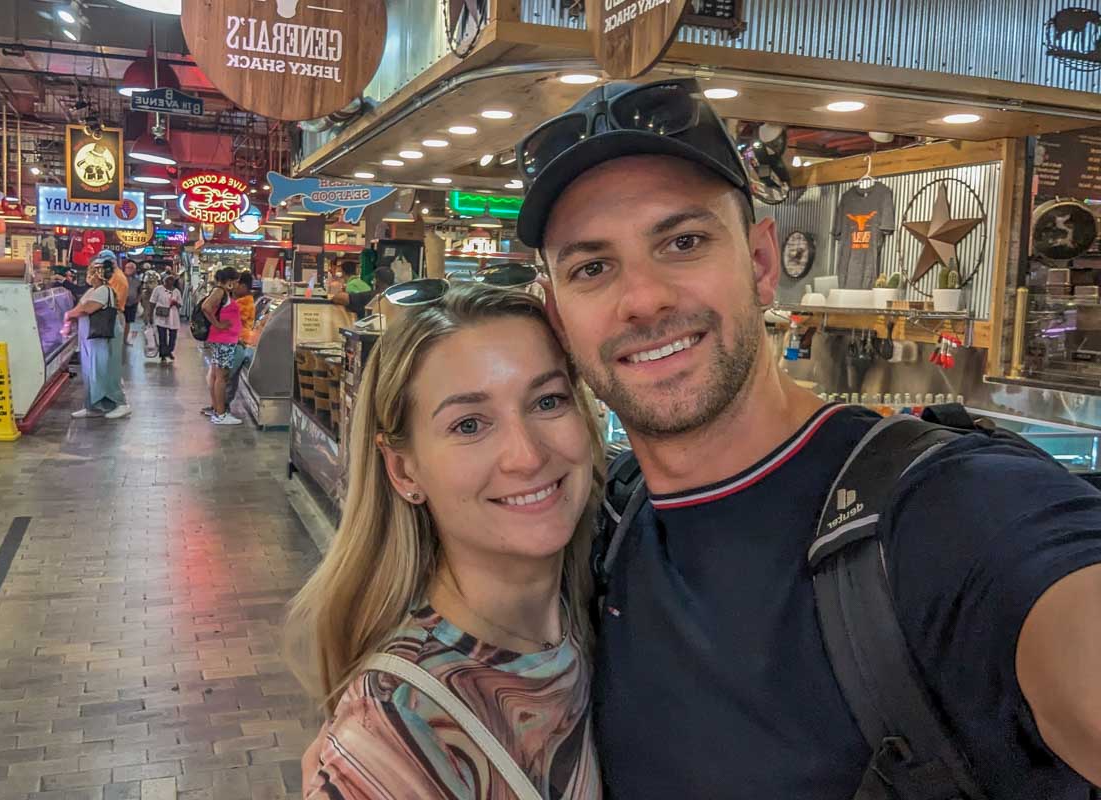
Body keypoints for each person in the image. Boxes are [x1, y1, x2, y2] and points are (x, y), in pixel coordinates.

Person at [512, 78, 1101, 797]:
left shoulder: (947, 511)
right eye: (592, 267)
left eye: (684, 241)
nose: (643, 298)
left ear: (761, 263)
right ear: (556, 314)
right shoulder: (612, 527)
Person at [289, 283, 603, 799]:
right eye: (470, 424)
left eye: (547, 401)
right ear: (403, 468)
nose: (525, 456)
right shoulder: (395, 731)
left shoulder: (604, 601)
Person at [61, 261, 131, 420]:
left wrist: (69, 315)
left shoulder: (104, 291)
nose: (88, 276)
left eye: (91, 272)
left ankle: (120, 404)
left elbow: (87, 308)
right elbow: (81, 306)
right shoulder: (93, 290)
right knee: (92, 371)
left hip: (101, 338)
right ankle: (94, 406)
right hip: (91, 339)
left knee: (105, 370)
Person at [200, 267, 243, 425]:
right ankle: (221, 413)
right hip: (224, 340)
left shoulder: (221, 291)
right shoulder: (220, 291)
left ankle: (216, 409)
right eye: (237, 281)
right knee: (222, 377)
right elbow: (206, 307)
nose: (238, 285)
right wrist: (218, 324)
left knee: (216, 376)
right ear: (230, 281)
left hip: (223, 339)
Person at [225, 270, 257, 409]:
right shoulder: (240, 301)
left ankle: (222, 407)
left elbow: (230, 319)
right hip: (236, 341)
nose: (234, 287)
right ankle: (221, 405)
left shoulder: (245, 303)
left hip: (239, 343)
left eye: (237, 284)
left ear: (244, 286)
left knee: (227, 377)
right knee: (229, 378)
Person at [149, 274, 183, 363]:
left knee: (173, 335)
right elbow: (152, 302)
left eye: (172, 280)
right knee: (162, 335)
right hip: (161, 315)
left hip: (173, 316)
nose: (170, 282)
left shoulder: (176, 291)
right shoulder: (158, 289)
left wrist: (175, 303)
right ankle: (163, 354)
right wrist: (149, 315)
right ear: (164, 281)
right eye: (168, 280)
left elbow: (180, 304)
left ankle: (169, 350)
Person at [121, 261, 142, 345]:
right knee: (120, 322)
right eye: (128, 267)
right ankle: (119, 339)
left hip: (132, 304)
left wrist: (137, 300)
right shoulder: (121, 278)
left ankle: (125, 340)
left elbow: (140, 291)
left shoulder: (138, 280)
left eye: (131, 268)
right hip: (121, 303)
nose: (129, 269)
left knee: (128, 322)